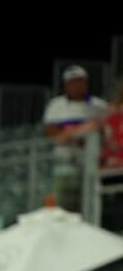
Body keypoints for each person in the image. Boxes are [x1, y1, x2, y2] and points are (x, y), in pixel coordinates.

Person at [42, 65, 109, 211]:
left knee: (90, 204)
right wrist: (79, 133)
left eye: (80, 81)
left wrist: (69, 134)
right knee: (62, 206)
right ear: (66, 85)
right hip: (64, 164)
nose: (76, 85)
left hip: (91, 164)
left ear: (86, 83)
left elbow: (104, 131)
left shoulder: (99, 106)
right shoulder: (56, 105)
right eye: (72, 82)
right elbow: (50, 131)